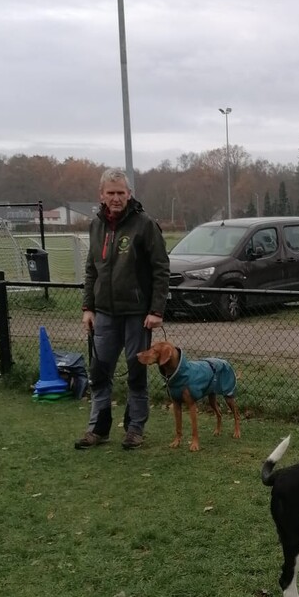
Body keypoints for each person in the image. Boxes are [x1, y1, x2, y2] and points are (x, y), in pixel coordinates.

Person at [75, 169, 170, 451]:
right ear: (101, 195)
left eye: (120, 192)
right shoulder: (96, 226)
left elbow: (161, 269)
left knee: (136, 372)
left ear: (129, 194)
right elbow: (92, 269)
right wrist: (88, 307)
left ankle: (134, 429)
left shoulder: (145, 225)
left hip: (138, 314)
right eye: (111, 193)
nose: (116, 198)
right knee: (99, 372)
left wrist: (156, 310)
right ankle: (98, 428)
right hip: (104, 313)